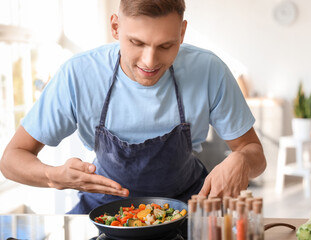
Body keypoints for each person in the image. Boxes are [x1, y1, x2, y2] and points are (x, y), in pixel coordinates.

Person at [0, 0, 266, 214]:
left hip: (188, 211)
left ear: (182, 32)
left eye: (166, 45)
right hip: (102, 213)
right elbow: (11, 159)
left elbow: (255, 155)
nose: (150, 61)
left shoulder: (209, 70)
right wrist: (52, 176)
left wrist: (241, 158)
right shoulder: (78, 74)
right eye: (136, 43)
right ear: (115, 28)